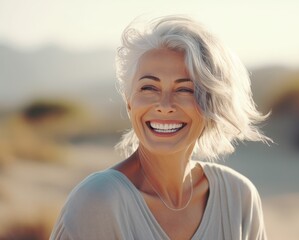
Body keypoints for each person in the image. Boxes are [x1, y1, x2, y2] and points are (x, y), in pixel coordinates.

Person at [50, 15, 271, 240]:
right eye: (149, 88)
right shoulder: (97, 201)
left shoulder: (238, 197)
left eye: (185, 90)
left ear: (211, 103)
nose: (165, 106)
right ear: (129, 101)